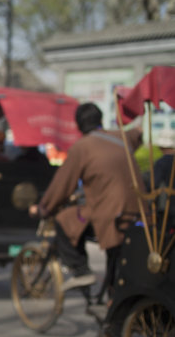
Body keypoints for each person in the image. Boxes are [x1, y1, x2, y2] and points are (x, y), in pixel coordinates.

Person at [30, 103, 145, 291]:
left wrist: (44, 207)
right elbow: (137, 133)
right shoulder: (121, 138)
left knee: (64, 220)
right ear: (100, 120)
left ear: (78, 125)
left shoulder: (82, 147)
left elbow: (62, 185)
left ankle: (81, 271)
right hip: (139, 213)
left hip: (111, 215)